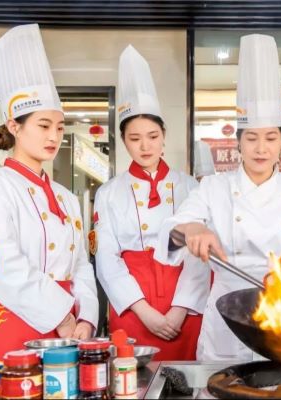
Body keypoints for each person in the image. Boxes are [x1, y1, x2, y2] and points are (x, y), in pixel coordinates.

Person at [156, 34, 281, 362]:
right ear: (238, 142)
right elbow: (171, 230)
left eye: (270, 138)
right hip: (226, 309)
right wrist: (191, 230)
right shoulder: (213, 188)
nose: (261, 148)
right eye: (252, 138)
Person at [0, 24, 98, 388]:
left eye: (60, 127)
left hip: (68, 334)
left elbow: (81, 265)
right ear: (15, 126)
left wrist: (86, 318)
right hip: (12, 332)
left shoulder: (67, 198)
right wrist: (61, 315)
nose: (54, 136)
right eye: (43, 126)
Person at [94, 45, 208, 360]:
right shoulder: (108, 193)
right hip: (132, 305)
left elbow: (199, 256)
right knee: (132, 378)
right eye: (135, 138)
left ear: (164, 135)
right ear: (123, 141)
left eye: (153, 136)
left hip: (183, 302)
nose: (145, 146)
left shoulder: (190, 186)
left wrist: (179, 309)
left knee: (188, 376)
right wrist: (143, 310)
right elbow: (106, 258)